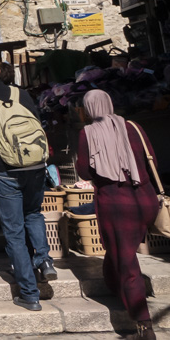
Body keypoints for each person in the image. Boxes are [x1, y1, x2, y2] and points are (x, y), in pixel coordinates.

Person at [0, 52, 56, 311]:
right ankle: (44, 260)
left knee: (14, 232)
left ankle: (30, 294)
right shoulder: (22, 94)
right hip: (35, 166)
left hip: (4, 171)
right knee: (34, 214)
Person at [76, 89, 160, 340]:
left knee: (128, 263)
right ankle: (116, 287)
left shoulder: (87, 133)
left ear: (88, 109)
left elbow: (84, 172)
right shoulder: (133, 127)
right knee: (120, 251)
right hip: (145, 199)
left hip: (116, 203)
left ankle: (144, 324)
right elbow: (152, 161)